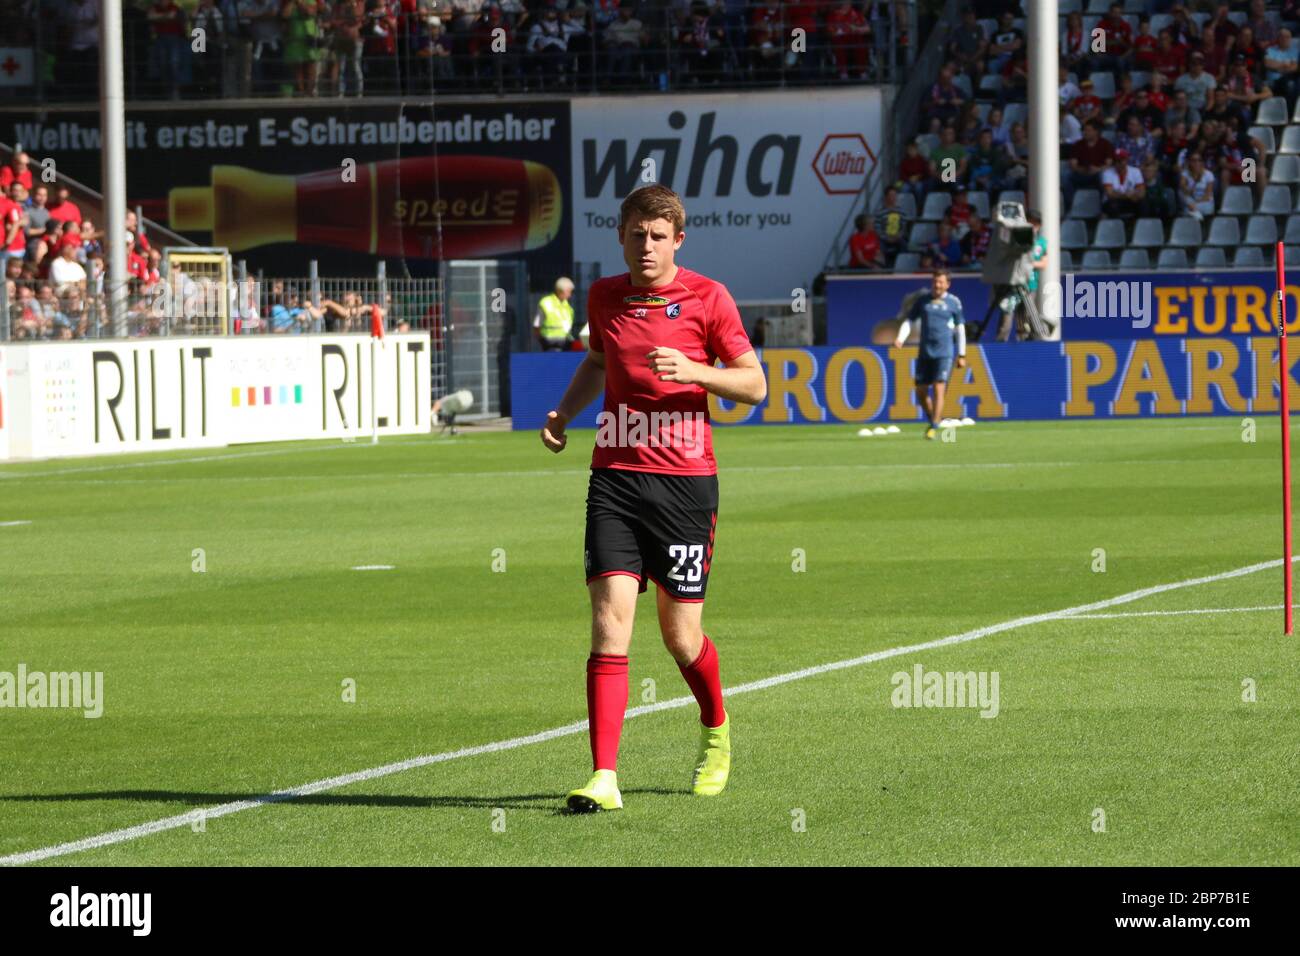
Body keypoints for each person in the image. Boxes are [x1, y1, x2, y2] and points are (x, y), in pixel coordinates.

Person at [539, 183, 766, 813]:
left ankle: (716, 729)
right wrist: (564, 412)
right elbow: (595, 362)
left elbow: (754, 385)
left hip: (685, 487)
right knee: (610, 621)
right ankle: (603, 777)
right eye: (636, 233)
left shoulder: (708, 298)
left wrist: (697, 372)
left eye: (658, 235)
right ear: (621, 236)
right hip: (613, 476)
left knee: (679, 636)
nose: (646, 245)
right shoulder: (604, 296)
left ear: (678, 240)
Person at [893, 268, 966, 440]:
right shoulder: (923, 301)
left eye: (941, 282)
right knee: (920, 390)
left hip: (944, 352)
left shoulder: (953, 303)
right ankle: (934, 418)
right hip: (925, 352)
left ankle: (933, 426)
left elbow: (960, 329)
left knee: (939, 387)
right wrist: (900, 338)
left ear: (947, 284)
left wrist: (962, 354)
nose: (937, 285)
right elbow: (910, 320)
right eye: (935, 281)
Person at [534, 276, 576, 350]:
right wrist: (542, 341)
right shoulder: (545, 303)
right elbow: (537, 325)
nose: (570, 295)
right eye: (569, 291)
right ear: (561, 291)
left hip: (565, 343)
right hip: (549, 344)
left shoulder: (568, 307)